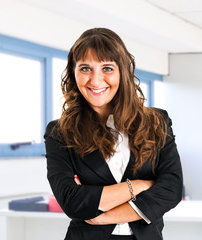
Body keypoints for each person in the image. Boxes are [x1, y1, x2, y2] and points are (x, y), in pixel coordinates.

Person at [44, 28, 183, 240]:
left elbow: (171, 188)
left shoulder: (156, 122)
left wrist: (104, 216)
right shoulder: (60, 132)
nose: (96, 80)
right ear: (73, 72)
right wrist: (141, 185)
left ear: (123, 72)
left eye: (107, 68)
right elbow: (73, 201)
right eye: (85, 69)